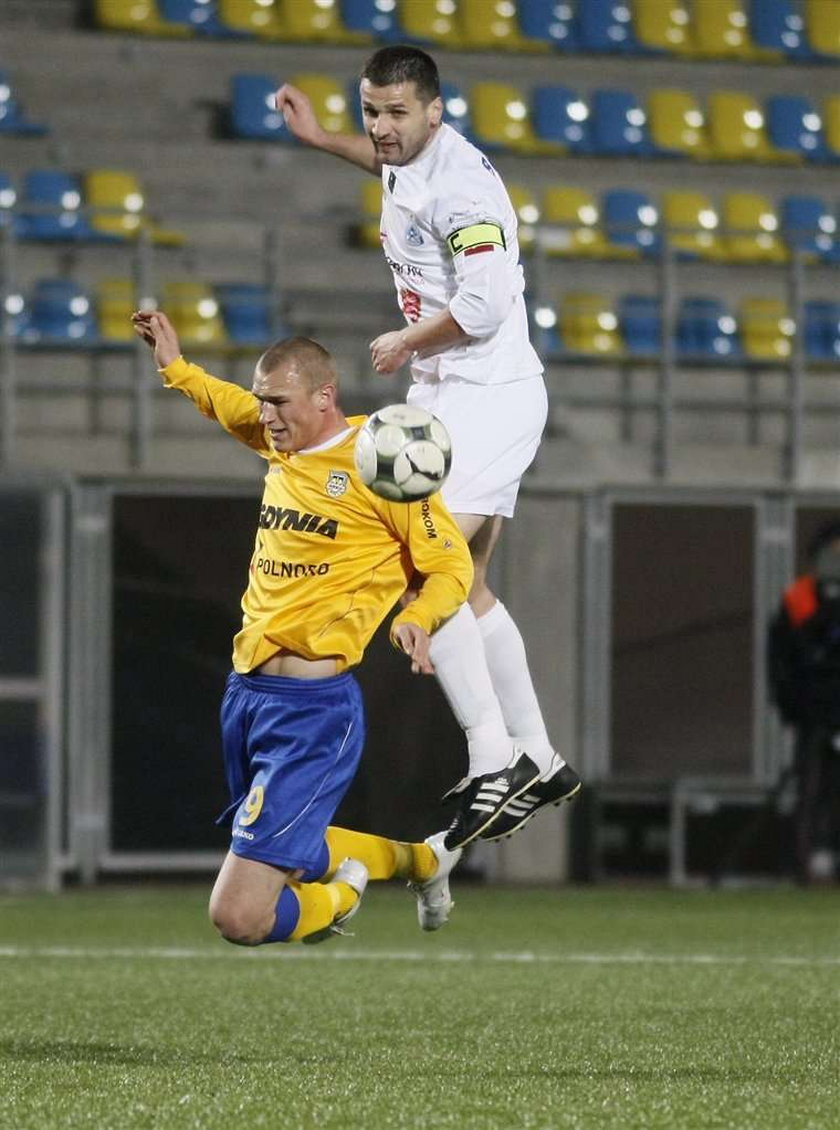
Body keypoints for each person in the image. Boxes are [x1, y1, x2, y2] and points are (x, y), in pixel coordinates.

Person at [276, 45, 581, 852]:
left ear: (437, 111)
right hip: (452, 395)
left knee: (423, 560)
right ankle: (541, 760)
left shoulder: (465, 187)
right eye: (370, 110)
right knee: (469, 581)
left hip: (487, 395)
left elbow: (483, 303)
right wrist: (322, 140)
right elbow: (382, 162)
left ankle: (492, 759)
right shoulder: (405, 156)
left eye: (395, 113)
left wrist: (409, 338)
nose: (379, 128)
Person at [131, 309, 474, 945]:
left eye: (279, 402)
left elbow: (450, 564)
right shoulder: (274, 440)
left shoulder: (384, 465)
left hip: (313, 710)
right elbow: (228, 404)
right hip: (246, 697)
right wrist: (175, 368)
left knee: (239, 915)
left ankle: (342, 897)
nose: (266, 415)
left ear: (325, 397)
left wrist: (416, 616)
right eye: (264, 402)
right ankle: (426, 862)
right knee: (287, 849)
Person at [768, 521, 840, 883]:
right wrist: (791, 705)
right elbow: (783, 658)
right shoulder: (799, 598)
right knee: (809, 788)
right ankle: (803, 867)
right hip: (813, 712)